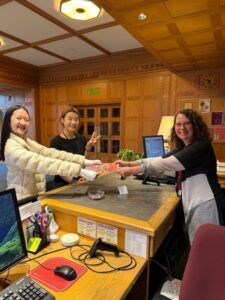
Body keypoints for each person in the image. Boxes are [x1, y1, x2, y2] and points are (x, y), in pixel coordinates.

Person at [115, 109, 225, 244]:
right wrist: (128, 163)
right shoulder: (184, 147)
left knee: (208, 251)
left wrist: (131, 170)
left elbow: (163, 164)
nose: (182, 128)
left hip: (206, 205)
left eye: (187, 123)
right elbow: (157, 158)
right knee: (198, 248)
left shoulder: (200, 146)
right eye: (178, 124)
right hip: (195, 203)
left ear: (195, 125)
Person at [0, 105, 102, 200]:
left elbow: (50, 153)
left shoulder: (27, 141)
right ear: (8, 120)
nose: (23, 122)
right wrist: (80, 171)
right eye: (19, 118)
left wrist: (84, 161)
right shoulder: (11, 146)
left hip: (36, 194)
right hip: (22, 198)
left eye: (27, 119)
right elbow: (41, 162)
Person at [49, 106, 101, 187]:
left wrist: (87, 148)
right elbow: (57, 168)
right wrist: (74, 182)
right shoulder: (55, 142)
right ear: (62, 120)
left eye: (76, 119)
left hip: (80, 179)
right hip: (62, 184)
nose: (73, 122)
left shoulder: (81, 138)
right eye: (70, 119)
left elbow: (82, 162)